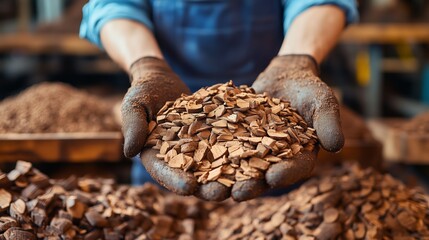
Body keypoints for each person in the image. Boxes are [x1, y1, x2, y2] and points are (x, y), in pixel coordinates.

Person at [80, 0, 358, 201]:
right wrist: (146, 67)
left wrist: (297, 60)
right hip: (167, 131)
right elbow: (113, 5)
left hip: (276, 144)